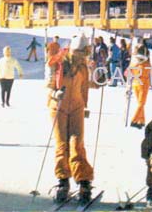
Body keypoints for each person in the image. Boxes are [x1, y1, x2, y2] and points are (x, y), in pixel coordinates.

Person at [46, 35, 96, 205]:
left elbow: (86, 84)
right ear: (73, 51)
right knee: (62, 144)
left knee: (76, 144)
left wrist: (99, 82)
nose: (81, 58)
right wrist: (55, 93)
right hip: (58, 107)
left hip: (76, 107)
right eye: (79, 54)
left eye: (84, 54)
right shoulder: (57, 63)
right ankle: (63, 181)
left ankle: (83, 181)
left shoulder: (82, 67)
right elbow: (48, 85)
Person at [127, 44, 152, 129]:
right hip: (143, 85)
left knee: (140, 104)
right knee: (141, 104)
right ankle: (134, 120)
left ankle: (141, 121)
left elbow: (126, 73)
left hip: (135, 83)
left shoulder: (134, 63)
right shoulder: (147, 64)